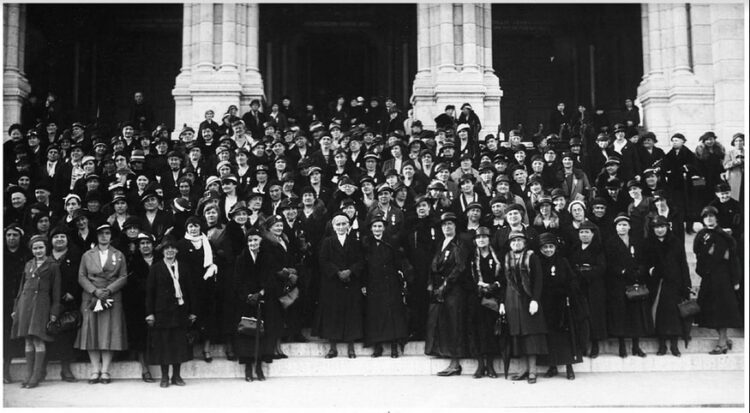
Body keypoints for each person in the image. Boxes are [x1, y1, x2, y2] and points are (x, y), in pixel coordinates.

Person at [75, 223, 129, 384]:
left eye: (107, 233)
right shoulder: (87, 255)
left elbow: (124, 276)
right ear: (96, 236)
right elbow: (81, 276)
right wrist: (94, 291)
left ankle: (105, 370)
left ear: (111, 236)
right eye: (100, 234)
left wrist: (109, 290)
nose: (104, 236)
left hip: (111, 297)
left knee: (108, 333)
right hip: (91, 297)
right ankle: (94, 370)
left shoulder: (119, 254)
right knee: (92, 332)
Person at [145, 235, 197, 388]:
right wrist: (149, 313)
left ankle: (177, 375)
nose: (170, 251)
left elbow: (191, 291)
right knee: (164, 345)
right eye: (167, 248)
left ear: (176, 250)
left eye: (172, 248)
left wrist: (193, 311)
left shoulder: (184, 267)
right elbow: (150, 292)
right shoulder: (156, 268)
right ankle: (164, 377)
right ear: (162, 251)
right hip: (162, 312)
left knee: (179, 344)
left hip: (180, 311)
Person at [10, 235, 61, 389]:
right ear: (32, 250)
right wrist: (16, 308)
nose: (38, 250)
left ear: (46, 248)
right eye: (35, 248)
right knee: (28, 339)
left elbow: (56, 292)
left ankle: (36, 375)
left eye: (41, 247)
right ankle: (28, 373)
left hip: (41, 305)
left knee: (38, 339)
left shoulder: (53, 265)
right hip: (25, 304)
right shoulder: (28, 264)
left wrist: (54, 312)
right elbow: (21, 287)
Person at [233, 227, 282, 381]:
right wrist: (247, 295)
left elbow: (271, 279)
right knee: (247, 333)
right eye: (250, 240)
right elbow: (237, 281)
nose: (252, 243)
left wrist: (261, 293)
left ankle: (259, 366)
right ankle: (248, 368)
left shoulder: (268, 257)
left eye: (255, 240)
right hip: (247, 302)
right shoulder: (241, 258)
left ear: (261, 241)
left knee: (262, 333)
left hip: (264, 300)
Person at [425, 212, 471, 376]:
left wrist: (445, 285)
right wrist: (432, 284)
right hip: (440, 288)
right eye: (444, 225)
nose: (447, 227)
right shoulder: (441, 243)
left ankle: (455, 363)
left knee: (454, 324)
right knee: (442, 322)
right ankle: (444, 352)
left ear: (455, 226)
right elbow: (434, 265)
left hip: (454, 289)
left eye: (450, 224)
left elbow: (459, 267)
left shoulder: (459, 243)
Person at [499, 230, 547, 384]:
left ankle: (532, 370)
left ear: (525, 242)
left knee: (530, 334)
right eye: (513, 241)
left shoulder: (531, 257)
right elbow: (503, 281)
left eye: (519, 240)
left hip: (528, 298)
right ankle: (522, 369)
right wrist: (501, 302)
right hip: (511, 299)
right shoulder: (507, 258)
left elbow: (538, 279)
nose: (516, 243)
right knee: (517, 334)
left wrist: (535, 300)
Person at [314, 212, 364, 359]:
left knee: (351, 313)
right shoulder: (327, 242)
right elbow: (323, 260)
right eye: (338, 224)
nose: (341, 227)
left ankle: (350, 347)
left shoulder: (354, 242)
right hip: (333, 284)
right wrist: (337, 272)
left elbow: (360, 260)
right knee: (332, 314)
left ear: (348, 226)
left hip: (351, 282)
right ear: (333, 226)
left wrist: (350, 271)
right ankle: (333, 348)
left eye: (344, 224)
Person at [693, 206, 742, 354]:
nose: (709, 218)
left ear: (716, 218)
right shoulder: (701, 235)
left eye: (712, 216)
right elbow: (698, 254)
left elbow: (733, 259)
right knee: (710, 310)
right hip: (708, 278)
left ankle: (722, 343)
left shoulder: (725, 235)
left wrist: (735, 280)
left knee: (722, 311)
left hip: (723, 278)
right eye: (706, 216)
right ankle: (725, 339)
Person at [361, 215, 410, 358]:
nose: (377, 229)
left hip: (390, 283)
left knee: (392, 313)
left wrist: (401, 280)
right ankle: (378, 346)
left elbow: (398, 262)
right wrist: (364, 284)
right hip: (374, 283)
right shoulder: (367, 244)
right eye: (374, 226)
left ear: (384, 227)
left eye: (380, 226)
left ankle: (394, 346)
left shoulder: (391, 242)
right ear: (371, 229)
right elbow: (364, 265)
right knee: (375, 314)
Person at [604, 214, 652, 358]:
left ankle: (636, 346)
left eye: (625, 224)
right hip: (618, 283)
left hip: (634, 281)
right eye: (619, 225)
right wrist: (623, 271)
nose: (622, 227)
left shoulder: (636, 241)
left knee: (635, 314)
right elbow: (609, 263)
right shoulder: (610, 242)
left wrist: (640, 271)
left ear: (629, 226)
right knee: (621, 314)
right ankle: (622, 346)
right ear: (615, 227)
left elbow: (643, 259)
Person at [536, 233, 582, 380]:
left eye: (551, 247)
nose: (548, 250)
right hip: (546, 304)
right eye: (545, 247)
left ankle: (569, 366)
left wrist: (568, 292)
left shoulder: (563, 261)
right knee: (549, 336)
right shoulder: (538, 262)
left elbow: (573, 280)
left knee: (565, 336)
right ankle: (552, 366)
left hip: (562, 304)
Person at [643, 216, 691, 357]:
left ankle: (674, 345)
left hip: (674, 282)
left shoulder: (676, 242)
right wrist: (650, 271)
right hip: (657, 283)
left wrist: (686, 283)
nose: (659, 230)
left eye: (662, 227)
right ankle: (662, 345)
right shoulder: (648, 243)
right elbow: (644, 263)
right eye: (657, 227)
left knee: (674, 313)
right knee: (659, 314)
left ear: (667, 227)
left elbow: (683, 263)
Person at [176, 216, 219, 363]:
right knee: (190, 317)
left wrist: (213, 267)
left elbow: (214, 261)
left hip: (206, 285)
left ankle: (206, 349)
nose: (193, 229)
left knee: (208, 317)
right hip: (188, 286)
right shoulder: (181, 244)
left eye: (196, 226)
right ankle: (188, 349)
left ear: (200, 227)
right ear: (186, 228)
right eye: (190, 226)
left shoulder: (208, 243)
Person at [45, 226, 82, 382]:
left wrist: (73, 292)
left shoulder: (76, 255)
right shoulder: (45, 256)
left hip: (68, 300)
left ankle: (65, 369)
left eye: (62, 236)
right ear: (51, 240)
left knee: (66, 333)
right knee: (45, 331)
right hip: (47, 300)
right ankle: (42, 366)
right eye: (56, 237)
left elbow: (82, 275)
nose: (59, 239)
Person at [568, 220, 607, 358]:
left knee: (594, 315)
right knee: (581, 316)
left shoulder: (598, 248)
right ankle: (583, 344)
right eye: (582, 232)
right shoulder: (575, 248)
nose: (584, 235)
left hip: (594, 286)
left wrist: (586, 272)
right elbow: (571, 266)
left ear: (592, 234)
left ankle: (595, 344)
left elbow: (601, 267)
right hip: (579, 287)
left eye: (587, 232)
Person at [466, 227, 501, 378]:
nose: (481, 239)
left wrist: (495, 286)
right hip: (476, 297)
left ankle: (491, 366)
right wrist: (477, 287)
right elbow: (466, 276)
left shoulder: (497, 255)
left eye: (484, 237)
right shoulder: (471, 256)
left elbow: (505, 274)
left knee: (491, 330)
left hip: (493, 297)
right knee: (477, 330)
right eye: (478, 237)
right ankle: (480, 365)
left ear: (489, 238)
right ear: (475, 240)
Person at [124, 232, 157, 382]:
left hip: (159, 303)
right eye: (142, 243)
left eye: (148, 243)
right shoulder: (133, 263)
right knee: (141, 337)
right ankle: (145, 369)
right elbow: (130, 286)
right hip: (139, 305)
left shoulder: (160, 260)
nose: (145, 246)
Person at [4, 224, 30, 384]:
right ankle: (6, 369)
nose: (12, 238)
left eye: (15, 235)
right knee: (6, 334)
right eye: (9, 235)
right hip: (4, 299)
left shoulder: (26, 256)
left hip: (23, 298)